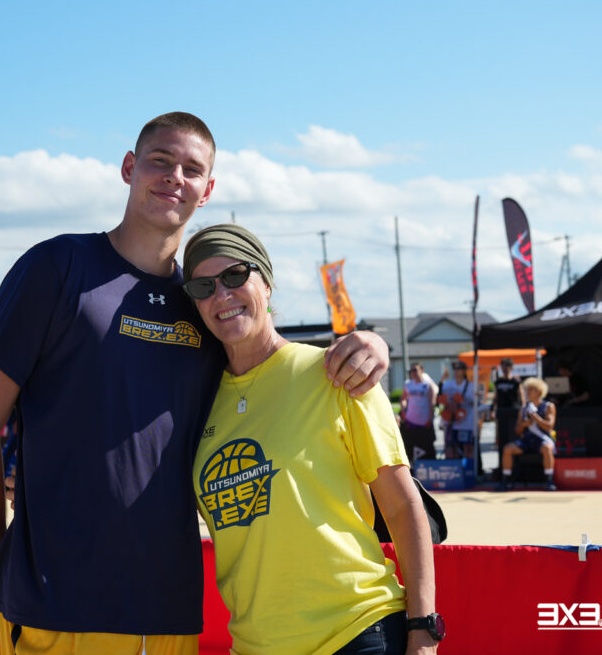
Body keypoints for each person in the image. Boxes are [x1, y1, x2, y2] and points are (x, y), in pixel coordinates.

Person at [0, 112, 391, 653]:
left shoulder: (203, 306)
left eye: (191, 169)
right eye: (160, 161)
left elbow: (268, 370)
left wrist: (371, 344)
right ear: (128, 168)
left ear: (208, 191)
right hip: (55, 607)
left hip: (169, 612)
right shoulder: (57, 267)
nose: (174, 177)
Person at [182, 224, 439, 654]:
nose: (221, 294)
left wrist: (424, 629)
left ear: (266, 283)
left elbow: (401, 506)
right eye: (203, 286)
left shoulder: (337, 374)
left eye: (235, 275)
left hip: (358, 631)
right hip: (256, 645)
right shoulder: (196, 406)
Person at [498, 377, 558, 491]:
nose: (528, 392)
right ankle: (506, 480)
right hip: (526, 441)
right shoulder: (524, 408)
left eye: (531, 390)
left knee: (547, 448)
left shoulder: (548, 406)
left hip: (542, 440)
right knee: (507, 449)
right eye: (527, 390)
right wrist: (524, 425)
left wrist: (535, 416)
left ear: (539, 392)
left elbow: (550, 426)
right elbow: (517, 431)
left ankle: (549, 480)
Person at [438, 361, 476, 460]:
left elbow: (476, 402)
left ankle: (468, 466)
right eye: (454, 369)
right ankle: (452, 466)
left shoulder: (471, 386)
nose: (456, 371)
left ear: (464, 371)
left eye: (458, 369)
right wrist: (442, 380)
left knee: (468, 448)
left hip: (466, 423)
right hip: (451, 423)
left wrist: (461, 400)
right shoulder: (448, 385)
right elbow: (440, 397)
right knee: (450, 448)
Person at [400, 362, 437, 461]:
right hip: (411, 420)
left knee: (426, 447)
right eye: (411, 371)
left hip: (424, 421)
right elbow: (403, 398)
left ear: (421, 370)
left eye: (415, 370)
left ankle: (427, 464)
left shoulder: (427, 385)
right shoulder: (408, 384)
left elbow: (432, 403)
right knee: (409, 446)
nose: (413, 373)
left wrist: (430, 418)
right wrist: (403, 409)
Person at [492, 358, 524, 459]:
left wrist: (523, 412)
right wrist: (493, 410)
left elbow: (522, 397)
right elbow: (495, 397)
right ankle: (502, 461)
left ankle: (514, 462)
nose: (505, 368)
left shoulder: (516, 382)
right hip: (501, 412)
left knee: (513, 437)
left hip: (514, 412)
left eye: (507, 366)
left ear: (511, 368)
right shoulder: (498, 382)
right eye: (503, 366)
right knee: (502, 438)